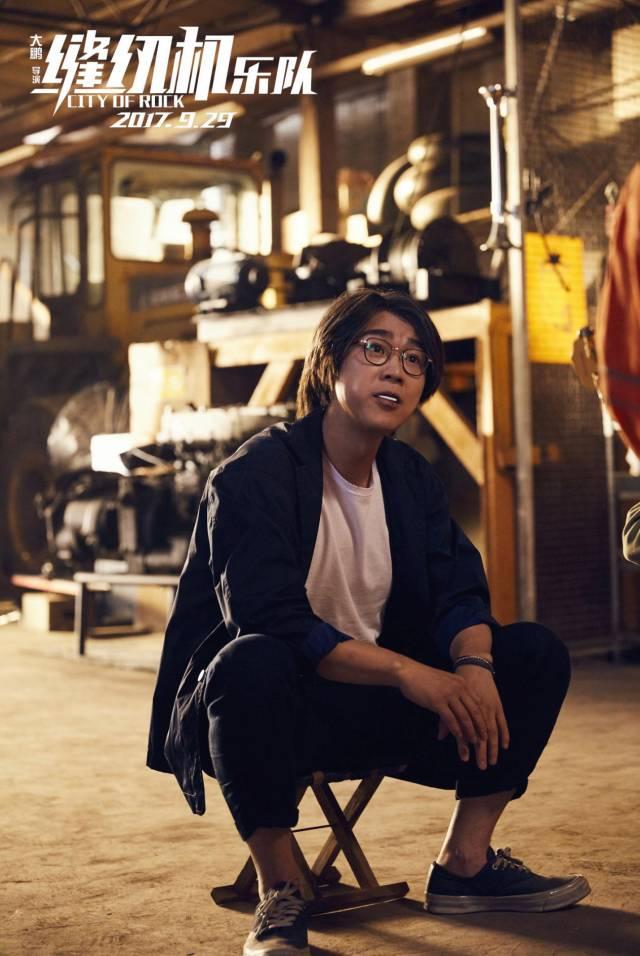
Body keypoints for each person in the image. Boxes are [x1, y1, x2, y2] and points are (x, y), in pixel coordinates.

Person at [147, 288, 590, 956]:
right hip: (279, 715)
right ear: (330, 362)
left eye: (414, 360)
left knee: (532, 652)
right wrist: (412, 674)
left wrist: (473, 668)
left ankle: (465, 865)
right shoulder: (256, 474)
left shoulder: (410, 478)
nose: (396, 371)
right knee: (248, 662)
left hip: (379, 708)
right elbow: (272, 619)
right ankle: (280, 894)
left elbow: (460, 591)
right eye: (376, 349)